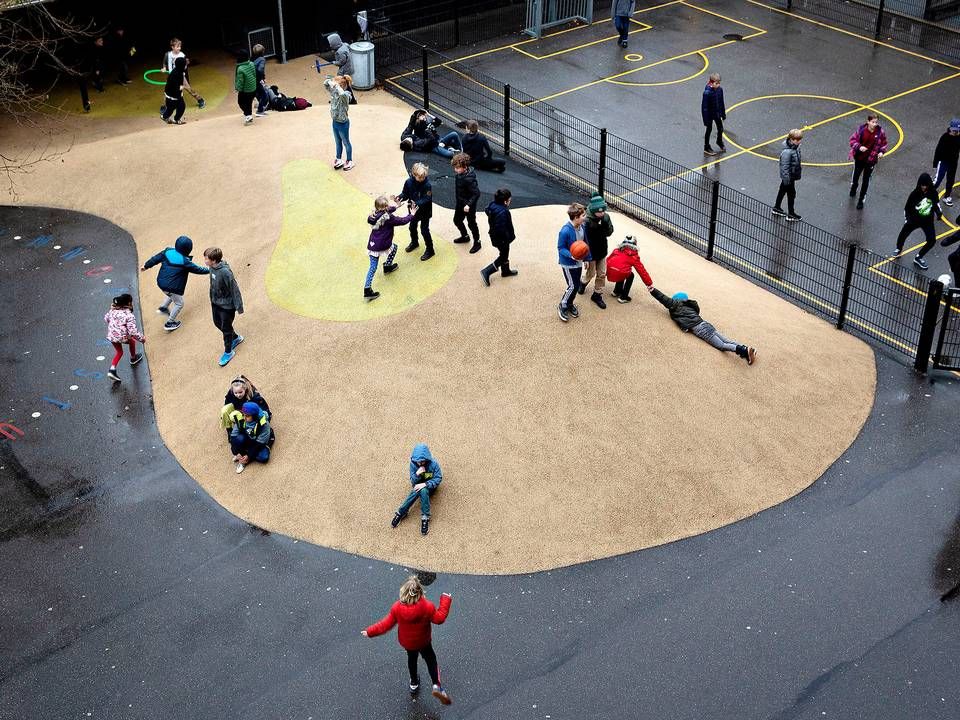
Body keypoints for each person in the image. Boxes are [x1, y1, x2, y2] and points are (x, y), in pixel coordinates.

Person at [362, 575, 453, 705]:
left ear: (403, 593)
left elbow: (384, 625)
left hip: (408, 643)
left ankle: (414, 683)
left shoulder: (397, 608)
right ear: (420, 592)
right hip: (424, 641)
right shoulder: (427, 607)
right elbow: (440, 619)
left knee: (412, 659)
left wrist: (369, 631)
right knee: (431, 659)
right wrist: (446, 599)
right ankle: (436, 685)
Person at [650, 288, 757, 364]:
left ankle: (743, 351)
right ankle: (747, 349)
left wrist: (652, 290)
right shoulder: (689, 306)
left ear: (676, 300)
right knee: (726, 340)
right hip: (705, 323)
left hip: (700, 328)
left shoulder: (675, 305)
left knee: (721, 346)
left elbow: (662, 297)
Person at [141, 235, 210, 331]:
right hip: (171, 287)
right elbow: (198, 269)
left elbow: (155, 259)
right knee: (179, 303)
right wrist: (210, 270)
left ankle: (163, 308)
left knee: (171, 294)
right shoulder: (185, 261)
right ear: (188, 250)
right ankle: (169, 322)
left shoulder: (167, 251)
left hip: (161, 282)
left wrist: (146, 266)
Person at [365, 195, 413, 301]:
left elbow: (388, 210)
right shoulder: (388, 218)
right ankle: (387, 266)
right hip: (382, 244)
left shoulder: (374, 215)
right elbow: (402, 221)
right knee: (394, 248)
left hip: (373, 245)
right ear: (385, 207)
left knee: (372, 267)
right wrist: (412, 214)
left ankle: (367, 288)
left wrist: (397, 206)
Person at [893, 172, 944, 270]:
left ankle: (919, 257)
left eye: (926, 185)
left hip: (927, 221)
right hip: (914, 219)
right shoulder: (914, 194)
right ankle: (898, 248)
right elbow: (907, 208)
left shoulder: (933, 193)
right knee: (903, 233)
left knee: (932, 240)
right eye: (922, 185)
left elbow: (936, 204)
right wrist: (908, 219)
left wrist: (938, 213)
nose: (924, 187)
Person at [203, 247, 245, 367]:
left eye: (206, 258)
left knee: (226, 329)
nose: (205, 260)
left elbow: (234, 289)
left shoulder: (225, 272)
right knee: (217, 323)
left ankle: (228, 352)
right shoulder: (211, 268)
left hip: (227, 306)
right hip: (215, 302)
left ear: (214, 260)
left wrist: (239, 306)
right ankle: (236, 338)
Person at [390, 443, 443, 535]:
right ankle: (402, 512)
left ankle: (423, 516)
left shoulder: (434, 464)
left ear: (427, 459)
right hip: (418, 485)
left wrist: (425, 484)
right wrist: (417, 474)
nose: (419, 463)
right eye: (418, 461)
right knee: (417, 490)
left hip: (429, 487)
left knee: (422, 490)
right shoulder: (413, 465)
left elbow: (438, 478)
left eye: (422, 461)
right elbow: (413, 481)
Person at [579, 193, 613, 309]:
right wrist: (585, 258)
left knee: (602, 273)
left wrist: (606, 225)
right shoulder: (586, 221)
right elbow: (582, 240)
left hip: (602, 250)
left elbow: (609, 232)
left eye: (603, 211)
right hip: (590, 253)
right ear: (593, 211)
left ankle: (597, 294)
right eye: (600, 212)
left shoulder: (606, 218)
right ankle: (583, 282)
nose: (602, 213)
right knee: (591, 273)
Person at [848, 114, 888, 210]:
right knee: (856, 176)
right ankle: (854, 186)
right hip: (859, 159)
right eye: (873, 122)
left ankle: (861, 200)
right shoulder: (861, 130)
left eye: (876, 122)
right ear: (868, 122)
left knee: (866, 181)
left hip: (871, 161)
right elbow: (852, 141)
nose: (874, 124)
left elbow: (884, 143)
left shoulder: (880, 132)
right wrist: (859, 147)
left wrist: (881, 152)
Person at [396, 162, 435, 261]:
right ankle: (414, 242)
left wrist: (416, 203)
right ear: (414, 174)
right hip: (413, 211)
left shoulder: (427, 185)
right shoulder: (408, 182)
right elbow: (405, 193)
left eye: (424, 176)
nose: (422, 179)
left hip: (425, 211)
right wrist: (400, 197)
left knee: (424, 230)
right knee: (412, 227)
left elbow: (427, 198)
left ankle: (430, 249)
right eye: (420, 177)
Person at [481, 187, 519, 285]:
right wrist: (507, 238)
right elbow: (501, 228)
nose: (510, 202)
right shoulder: (503, 212)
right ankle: (487, 271)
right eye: (509, 200)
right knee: (503, 256)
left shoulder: (492, 205)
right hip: (502, 239)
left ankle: (505, 271)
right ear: (505, 201)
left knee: (504, 254)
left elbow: (487, 210)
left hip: (495, 236)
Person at [557, 202, 588, 322]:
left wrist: (585, 258)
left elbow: (584, 244)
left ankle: (570, 304)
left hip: (578, 262)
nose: (585, 217)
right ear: (576, 217)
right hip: (568, 263)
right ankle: (563, 304)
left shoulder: (582, 227)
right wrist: (572, 255)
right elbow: (560, 248)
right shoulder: (565, 231)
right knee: (572, 286)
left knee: (575, 286)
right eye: (583, 216)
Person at [104, 293, 145, 383]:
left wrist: (111, 310)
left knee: (119, 352)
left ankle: (112, 369)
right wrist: (142, 339)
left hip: (111, 335)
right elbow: (133, 332)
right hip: (122, 336)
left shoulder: (113, 311)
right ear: (129, 303)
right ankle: (133, 358)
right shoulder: (129, 315)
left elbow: (106, 318)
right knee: (132, 340)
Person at [220, 376, 271, 440]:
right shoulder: (231, 393)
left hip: (246, 412)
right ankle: (230, 429)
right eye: (235, 393)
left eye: (240, 392)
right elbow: (226, 403)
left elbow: (264, 410)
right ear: (232, 390)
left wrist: (264, 422)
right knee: (225, 410)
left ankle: (244, 427)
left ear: (245, 389)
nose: (238, 395)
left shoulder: (254, 396)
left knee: (247, 417)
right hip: (239, 409)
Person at [606, 235, 653, 303]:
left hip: (610, 272)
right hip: (619, 273)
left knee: (621, 269)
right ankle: (623, 297)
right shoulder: (634, 256)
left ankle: (616, 291)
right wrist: (649, 283)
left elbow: (608, 260)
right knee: (630, 275)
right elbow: (642, 271)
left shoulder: (616, 250)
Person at [228, 402, 272, 473]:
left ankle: (245, 459)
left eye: (247, 416)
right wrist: (236, 452)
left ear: (254, 416)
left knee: (264, 457)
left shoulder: (264, 424)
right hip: (246, 438)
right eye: (244, 415)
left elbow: (259, 443)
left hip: (258, 442)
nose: (244, 418)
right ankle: (242, 459)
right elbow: (233, 436)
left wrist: (248, 456)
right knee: (239, 439)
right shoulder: (241, 418)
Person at [452, 152, 482, 252]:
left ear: (465, 167)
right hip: (460, 203)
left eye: (457, 168)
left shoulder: (469, 179)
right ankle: (465, 236)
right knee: (457, 220)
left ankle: (477, 242)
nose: (455, 170)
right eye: (455, 167)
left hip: (469, 206)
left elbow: (476, 193)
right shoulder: (459, 174)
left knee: (471, 223)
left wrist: (469, 205)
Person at [162, 38, 205, 108]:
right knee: (167, 92)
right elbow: (164, 63)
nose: (179, 48)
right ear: (172, 47)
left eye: (180, 46)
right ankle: (164, 106)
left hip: (180, 76)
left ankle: (200, 100)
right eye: (177, 46)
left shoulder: (182, 55)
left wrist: (186, 64)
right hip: (171, 77)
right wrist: (164, 68)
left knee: (189, 89)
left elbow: (185, 67)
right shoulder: (167, 54)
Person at [772, 129, 803, 221]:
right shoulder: (787, 152)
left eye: (799, 139)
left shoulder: (795, 148)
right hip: (789, 177)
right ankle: (791, 213)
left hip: (790, 176)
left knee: (782, 190)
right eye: (796, 140)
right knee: (791, 194)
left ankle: (777, 207)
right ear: (791, 139)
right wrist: (787, 179)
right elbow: (784, 167)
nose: (798, 142)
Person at [324, 74, 354, 170]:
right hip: (335, 122)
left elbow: (342, 94)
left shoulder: (346, 95)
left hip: (343, 124)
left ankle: (349, 161)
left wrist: (336, 86)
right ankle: (338, 158)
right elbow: (325, 84)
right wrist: (330, 81)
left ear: (340, 86)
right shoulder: (334, 93)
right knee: (338, 142)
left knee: (346, 142)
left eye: (336, 87)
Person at [933, 118, 960, 207]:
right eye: (954, 131)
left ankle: (947, 196)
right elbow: (938, 150)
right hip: (944, 162)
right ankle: (928, 194)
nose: (956, 133)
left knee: (950, 180)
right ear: (950, 129)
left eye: (957, 131)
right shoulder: (945, 137)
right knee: (938, 179)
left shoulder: (958, 137)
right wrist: (935, 163)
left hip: (953, 163)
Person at [160, 56, 190, 124]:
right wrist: (182, 87)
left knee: (181, 106)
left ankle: (175, 119)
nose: (186, 66)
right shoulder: (175, 74)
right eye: (185, 65)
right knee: (172, 109)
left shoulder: (179, 70)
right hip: (172, 96)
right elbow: (175, 87)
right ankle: (165, 117)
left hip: (176, 95)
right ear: (181, 66)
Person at [701, 73, 726, 155]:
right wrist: (706, 120)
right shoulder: (707, 93)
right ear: (711, 83)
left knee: (720, 128)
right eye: (716, 83)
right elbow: (704, 108)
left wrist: (723, 113)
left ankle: (719, 141)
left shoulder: (719, 90)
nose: (718, 85)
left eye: (719, 83)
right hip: (709, 115)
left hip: (717, 113)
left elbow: (721, 102)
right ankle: (706, 147)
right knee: (709, 130)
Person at [235, 50, 257, 126]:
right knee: (248, 103)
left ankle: (248, 115)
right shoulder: (251, 63)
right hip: (253, 88)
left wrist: (238, 89)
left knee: (240, 102)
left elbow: (240, 81)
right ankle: (248, 113)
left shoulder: (240, 68)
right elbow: (254, 74)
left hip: (246, 90)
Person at [252, 43, 269, 117]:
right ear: (262, 52)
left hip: (251, 79)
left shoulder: (251, 59)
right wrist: (262, 79)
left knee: (258, 94)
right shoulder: (262, 59)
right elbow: (260, 70)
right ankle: (260, 111)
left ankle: (260, 107)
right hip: (257, 80)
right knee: (264, 95)